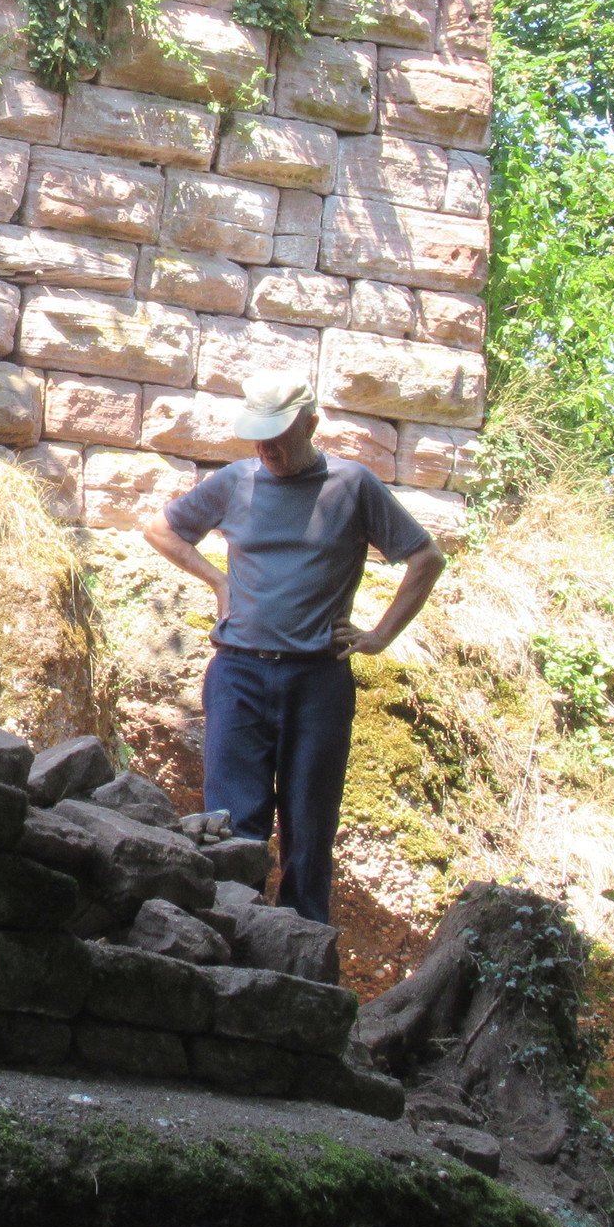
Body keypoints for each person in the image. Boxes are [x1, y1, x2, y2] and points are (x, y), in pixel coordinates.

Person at [141, 370, 446, 927]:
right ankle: (228, 940)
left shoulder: (352, 486)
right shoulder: (235, 482)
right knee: (231, 824)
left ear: (310, 424)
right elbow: (162, 531)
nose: (267, 449)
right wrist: (219, 581)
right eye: (258, 437)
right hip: (237, 675)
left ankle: (300, 951)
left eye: (278, 436)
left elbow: (426, 558)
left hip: (318, 682)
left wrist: (380, 636)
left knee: (310, 828)